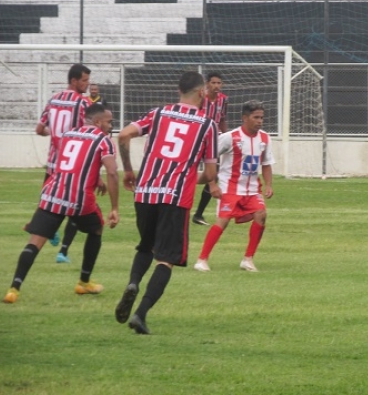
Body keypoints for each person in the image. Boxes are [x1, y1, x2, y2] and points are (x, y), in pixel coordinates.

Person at [114, 71, 219, 335]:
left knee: (145, 246)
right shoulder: (208, 125)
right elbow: (210, 174)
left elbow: (123, 135)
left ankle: (133, 282)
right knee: (166, 259)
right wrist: (187, 179)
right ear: (201, 93)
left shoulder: (159, 113)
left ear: (178, 91)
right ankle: (140, 314)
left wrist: (127, 170)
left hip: (146, 192)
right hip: (175, 198)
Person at [3, 104, 119, 303]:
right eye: (109, 121)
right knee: (96, 229)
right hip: (78, 200)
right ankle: (83, 282)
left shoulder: (69, 134)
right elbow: (112, 172)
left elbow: (72, 162)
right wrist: (115, 207)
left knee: (34, 243)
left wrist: (94, 178)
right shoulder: (104, 141)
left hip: (53, 194)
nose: (111, 125)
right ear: (98, 122)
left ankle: (14, 289)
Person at [194, 100, 274, 273]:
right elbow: (210, 158)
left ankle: (248, 259)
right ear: (245, 118)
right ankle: (202, 259)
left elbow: (266, 163)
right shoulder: (229, 137)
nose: (260, 121)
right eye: (256, 117)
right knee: (223, 221)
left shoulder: (265, 138)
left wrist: (268, 184)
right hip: (229, 188)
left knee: (261, 215)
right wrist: (212, 184)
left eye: (262, 117)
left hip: (252, 189)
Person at [36, 63, 95, 263]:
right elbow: (86, 133)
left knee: (48, 204)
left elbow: (39, 128)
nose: (88, 84)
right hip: (73, 165)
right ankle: (63, 251)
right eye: (85, 80)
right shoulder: (83, 103)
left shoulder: (54, 99)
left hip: (53, 163)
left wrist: (53, 134)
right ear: (74, 81)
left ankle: (49, 230)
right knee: (75, 206)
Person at [192, 72, 229, 226]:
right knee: (204, 174)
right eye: (213, 83)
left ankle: (199, 214)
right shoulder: (201, 99)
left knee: (212, 174)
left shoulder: (223, 100)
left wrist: (227, 137)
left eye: (219, 83)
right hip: (198, 138)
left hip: (215, 140)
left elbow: (222, 119)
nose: (216, 86)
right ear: (207, 84)